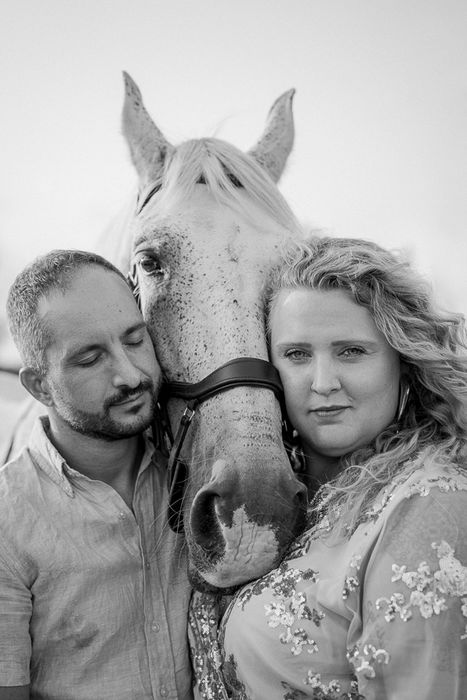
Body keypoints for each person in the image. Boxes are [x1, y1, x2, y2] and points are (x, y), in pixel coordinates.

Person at [189, 236, 467, 699]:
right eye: (297, 354)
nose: (322, 383)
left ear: (405, 360)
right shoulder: (283, 488)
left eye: (351, 351)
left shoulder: (427, 504)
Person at [1, 250, 192, 700]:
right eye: (90, 359)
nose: (129, 375)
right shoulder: (7, 522)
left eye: (135, 339)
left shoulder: (195, 473)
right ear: (38, 385)